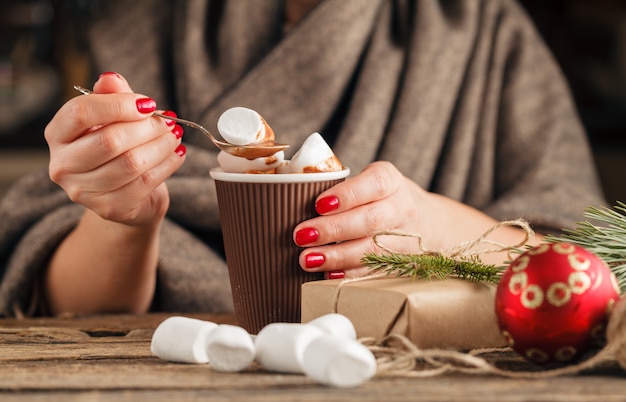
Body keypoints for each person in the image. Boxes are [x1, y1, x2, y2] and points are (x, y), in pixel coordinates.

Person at [0, 0, 606, 317]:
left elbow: (588, 267)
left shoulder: (487, 33)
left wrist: (440, 229)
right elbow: (73, 309)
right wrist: (128, 220)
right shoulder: (141, 28)